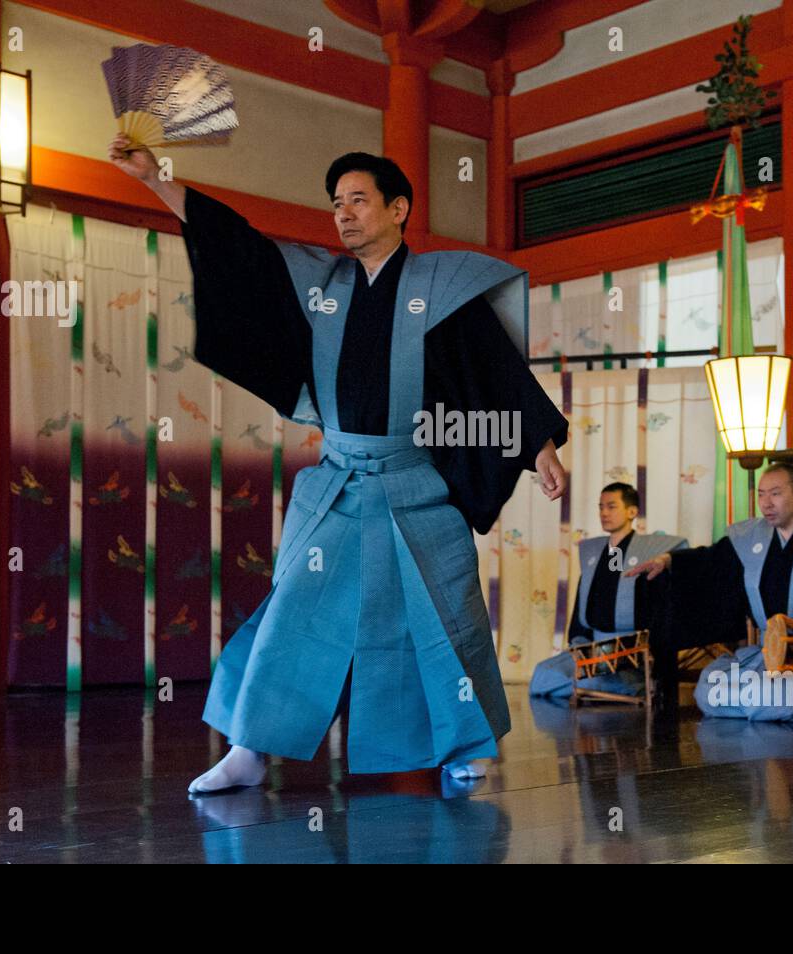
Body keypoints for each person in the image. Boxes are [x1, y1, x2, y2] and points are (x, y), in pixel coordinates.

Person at [108, 137, 569, 788]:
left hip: (415, 484)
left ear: (398, 208)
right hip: (339, 482)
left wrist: (538, 445)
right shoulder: (322, 287)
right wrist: (156, 179)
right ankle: (248, 749)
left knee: (446, 614)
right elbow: (239, 250)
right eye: (337, 204)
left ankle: (466, 745)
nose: (345, 214)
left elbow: (493, 372)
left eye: (359, 200)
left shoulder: (440, 289)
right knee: (293, 608)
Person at [628, 463, 793, 720]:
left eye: (775, 493)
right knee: (708, 688)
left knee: (767, 698)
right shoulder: (752, 539)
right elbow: (708, 559)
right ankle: (764, 703)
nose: (766, 503)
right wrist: (666, 560)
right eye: (761, 494)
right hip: (768, 656)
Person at [528, 482, 684, 705]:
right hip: (594, 648)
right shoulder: (600, 553)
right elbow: (602, 589)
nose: (604, 513)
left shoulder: (649, 553)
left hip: (629, 650)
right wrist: (578, 642)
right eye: (601, 507)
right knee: (542, 675)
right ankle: (611, 685)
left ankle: (633, 683)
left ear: (632, 512)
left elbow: (651, 604)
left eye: (611, 507)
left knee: (589, 681)